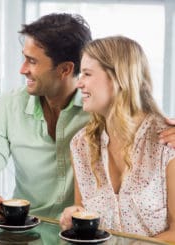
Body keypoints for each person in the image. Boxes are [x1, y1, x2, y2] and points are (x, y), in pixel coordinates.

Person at [0, 13, 175, 222]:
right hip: (26, 234)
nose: (22, 69)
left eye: (32, 61)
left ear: (65, 69)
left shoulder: (103, 109)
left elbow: (139, 115)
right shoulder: (9, 107)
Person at [59, 36, 175, 242]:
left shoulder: (167, 143)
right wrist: (73, 218)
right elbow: (83, 213)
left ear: (118, 78)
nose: (79, 84)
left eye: (87, 74)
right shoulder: (80, 144)